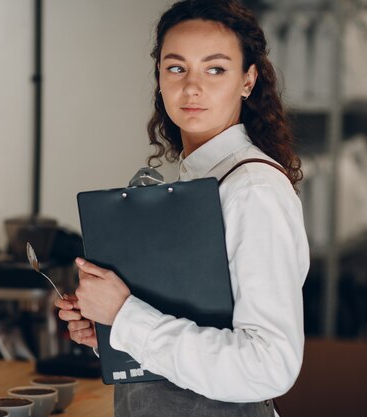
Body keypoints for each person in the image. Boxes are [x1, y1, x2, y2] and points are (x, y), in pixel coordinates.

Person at [54, 0, 310, 416]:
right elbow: (198, 327)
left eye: (215, 69)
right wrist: (111, 332)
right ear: (159, 77)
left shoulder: (253, 190)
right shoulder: (199, 181)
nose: (192, 87)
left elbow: (269, 365)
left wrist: (126, 315)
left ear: (248, 80)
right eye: (176, 68)